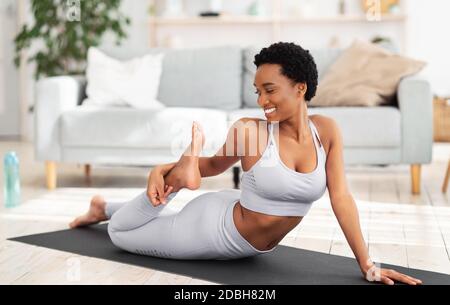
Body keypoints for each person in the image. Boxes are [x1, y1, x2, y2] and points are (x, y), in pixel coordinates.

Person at [70, 42, 421, 285]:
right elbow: (212, 168)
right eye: (257, 91)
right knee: (119, 235)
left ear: (300, 88)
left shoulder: (326, 131)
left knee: (153, 215)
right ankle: (108, 208)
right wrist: (174, 168)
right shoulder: (251, 132)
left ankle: (111, 204)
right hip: (211, 231)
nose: (261, 100)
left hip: (244, 237)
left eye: (270, 89)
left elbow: (341, 198)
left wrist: (367, 264)